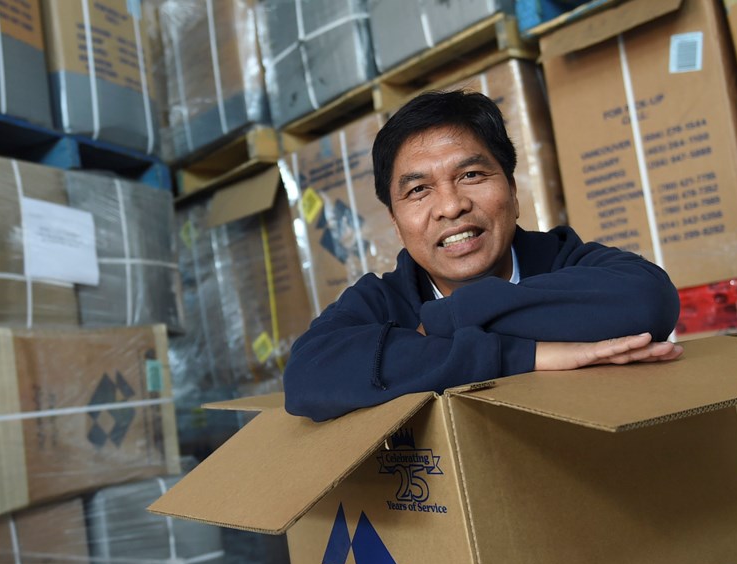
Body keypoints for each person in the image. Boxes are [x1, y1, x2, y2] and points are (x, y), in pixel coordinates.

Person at [283, 90, 682, 421]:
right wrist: (525, 355)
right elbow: (308, 375)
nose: (451, 206)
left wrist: (446, 320)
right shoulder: (383, 300)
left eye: (471, 175)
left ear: (512, 189)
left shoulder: (561, 258)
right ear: (394, 219)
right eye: (419, 190)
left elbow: (648, 299)